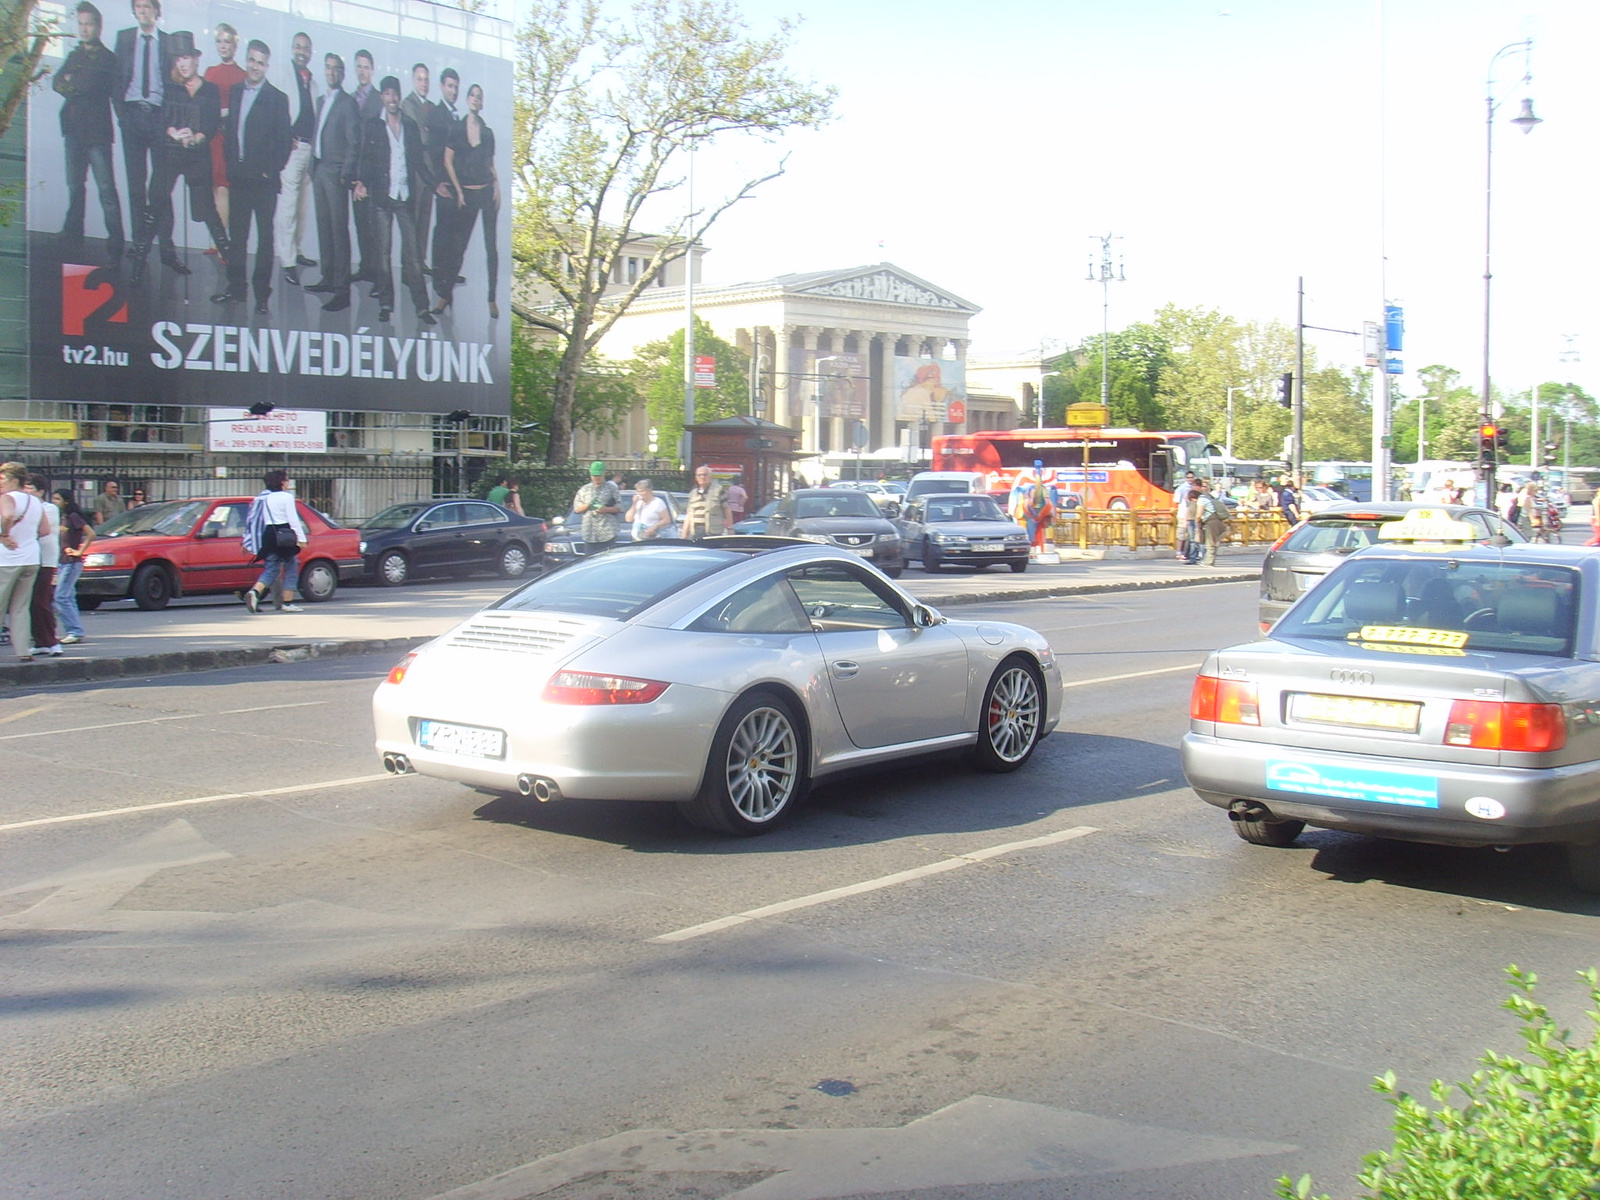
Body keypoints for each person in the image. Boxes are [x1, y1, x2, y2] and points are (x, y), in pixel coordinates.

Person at [130, 29, 228, 283]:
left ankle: (232, 267)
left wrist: (198, 137)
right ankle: (138, 264)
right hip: (170, 154)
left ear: (196, 59)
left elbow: (212, 122)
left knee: (207, 209)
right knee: (156, 205)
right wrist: (173, 133)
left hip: (198, 155)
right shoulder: (168, 88)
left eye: (187, 57)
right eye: (178, 59)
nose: (183, 63)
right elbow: (160, 120)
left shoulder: (210, 90)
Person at [212, 38, 290, 316]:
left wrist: (269, 170)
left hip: (264, 182)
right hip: (240, 178)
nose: (255, 66)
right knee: (238, 238)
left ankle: (262, 296)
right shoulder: (235, 92)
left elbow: (284, 143)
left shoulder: (278, 98)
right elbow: (231, 132)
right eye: (252, 60)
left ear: (266, 66)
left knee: (265, 240)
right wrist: (232, 165)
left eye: (261, 62)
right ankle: (236, 289)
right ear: (246, 60)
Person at [350, 75, 433, 325]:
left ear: (399, 95)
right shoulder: (374, 126)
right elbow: (367, 159)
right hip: (382, 197)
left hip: (404, 197)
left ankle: (421, 308)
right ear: (383, 97)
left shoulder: (409, 126)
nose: (392, 99)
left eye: (395, 94)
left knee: (414, 256)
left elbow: (418, 161)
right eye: (387, 94)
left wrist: (435, 184)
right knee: (383, 254)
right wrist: (362, 182)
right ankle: (386, 304)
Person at [55, 1, 126, 262]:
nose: (84, 29)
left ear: (98, 26)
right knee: (75, 186)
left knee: (106, 189)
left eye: (89, 24)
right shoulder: (75, 54)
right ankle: (73, 232)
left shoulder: (108, 58)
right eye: (81, 24)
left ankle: (116, 241)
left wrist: (71, 83)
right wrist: (71, 84)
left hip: (96, 132)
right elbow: (56, 81)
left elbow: (93, 87)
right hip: (73, 129)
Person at [432, 82, 499, 318]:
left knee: (492, 246)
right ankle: (444, 297)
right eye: (472, 95)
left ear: (482, 102)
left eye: (479, 96)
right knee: (458, 247)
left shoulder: (488, 132)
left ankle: (492, 299)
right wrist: (459, 191)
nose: (475, 99)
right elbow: (447, 161)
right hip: (467, 192)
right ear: (467, 99)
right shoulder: (457, 129)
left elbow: (490, 164)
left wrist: (497, 186)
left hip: (487, 192)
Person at [113, 0, 169, 261]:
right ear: (134, 10)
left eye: (147, 5)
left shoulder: (167, 42)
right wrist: (122, 114)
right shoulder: (124, 38)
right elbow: (116, 78)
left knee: (159, 186)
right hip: (132, 115)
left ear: (157, 10)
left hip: (159, 117)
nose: (143, 10)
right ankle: (139, 242)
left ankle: (160, 241)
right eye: (138, 6)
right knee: (135, 183)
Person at [307, 52, 358, 311]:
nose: (331, 72)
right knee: (324, 228)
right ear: (324, 71)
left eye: (336, 69)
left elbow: (353, 143)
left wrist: (345, 173)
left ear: (343, 73)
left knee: (339, 232)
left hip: (336, 173)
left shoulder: (348, 103)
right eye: (328, 68)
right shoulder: (321, 100)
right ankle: (328, 278)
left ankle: (342, 290)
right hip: (318, 169)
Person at [275, 30, 318, 287]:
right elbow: (276, 108)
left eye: (306, 48)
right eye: (298, 47)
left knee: (302, 205)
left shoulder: (311, 82)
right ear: (293, 49)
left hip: (308, 149)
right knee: (288, 206)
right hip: (291, 148)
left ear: (310, 53)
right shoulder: (282, 73)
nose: (302, 52)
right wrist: (282, 136)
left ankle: (297, 250)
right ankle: (287, 260)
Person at [0, 462, 53, 663]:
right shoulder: (35, 502)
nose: (0, 482)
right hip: (31, 558)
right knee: (20, 607)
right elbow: (44, 531)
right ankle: (23, 650)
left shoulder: (7, 498)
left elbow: (7, 515)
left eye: (3, 478)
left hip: (6, 559)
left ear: (14, 480)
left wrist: (4, 533)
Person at [203, 23, 245, 250]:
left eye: (227, 41)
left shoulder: (242, 75)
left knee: (222, 188)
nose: (223, 46)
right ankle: (215, 240)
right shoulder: (209, 72)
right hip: (211, 137)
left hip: (228, 138)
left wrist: (225, 114)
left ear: (235, 45)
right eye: (219, 41)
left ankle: (223, 245)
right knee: (211, 187)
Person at [241, 468, 306, 611]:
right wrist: (301, 538)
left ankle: (255, 592)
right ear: (282, 482)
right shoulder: (287, 497)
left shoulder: (264, 498)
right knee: (291, 566)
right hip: (284, 534)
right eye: (287, 479)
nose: (288, 482)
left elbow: (254, 520)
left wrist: (248, 540)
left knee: (271, 568)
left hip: (269, 534)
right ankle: (287, 603)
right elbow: (293, 519)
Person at [348, 49, 383, 288]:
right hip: (354, 169)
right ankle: (365, 267)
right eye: (359, 66)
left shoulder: (380, 99)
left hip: (373, 170)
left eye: (366, 67)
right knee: (360, 221)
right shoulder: (350, 98)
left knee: (374, 224)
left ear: (372, 70)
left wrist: (367, 179)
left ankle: (378, 273)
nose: (362, 71)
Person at [399, 64, 436, 270]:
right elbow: (419, 134)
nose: (423, 83)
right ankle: (409, 264)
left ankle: (420, 261)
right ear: (413, 80)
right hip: (415, 170)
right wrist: (428, 131)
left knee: (425, 216)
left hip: (430, 170)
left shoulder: (430, 105)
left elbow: (431, 132)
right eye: (420, 79)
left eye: (426, 79)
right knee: (412, 219)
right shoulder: (408, 104)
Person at [23, 476, 63, 657]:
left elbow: (40, 530)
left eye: (29, 488)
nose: (26, 491)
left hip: (46, 561)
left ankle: (52, 641)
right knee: (31, 603)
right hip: (29, 559)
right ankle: (40, 641)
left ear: (40, 491)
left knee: (43, 601)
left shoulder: (49, 508)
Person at [52, 488, 94, 645]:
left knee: (61, 597)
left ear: (66, 501)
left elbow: (91, 533)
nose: (54, 502)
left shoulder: (73, 516)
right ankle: (74, 630)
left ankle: (74, 631)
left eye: (57, 499)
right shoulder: (62, 517)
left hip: (71, 562)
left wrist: (79, 551)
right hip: (62, 561)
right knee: (67, 597)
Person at [572, 461, 621, 552]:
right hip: (589, 533)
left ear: (604, 474)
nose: (596, 478)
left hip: (607, 533)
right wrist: (588, 505)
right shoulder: (584, 489)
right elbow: (577, 509)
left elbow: (620, 507)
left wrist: (606, 509)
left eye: (599, 475)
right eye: (594, 475)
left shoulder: (611, 488)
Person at [681, 465, 730, 539]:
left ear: (710, 476)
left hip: (713, 532)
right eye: (699, 475)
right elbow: (689, 514)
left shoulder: (719, 490)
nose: (702, 477)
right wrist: (684, 534)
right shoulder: (693, 493)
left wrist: (730, 528)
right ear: (696, 478)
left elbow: (727, 509)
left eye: (705, 475)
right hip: (695, 532)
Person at [1195, 479, 1230, 567]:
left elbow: (1199, 514)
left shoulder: (1202, 499)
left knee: (1210, 542)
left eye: (1204, 486)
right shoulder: (1210, 497)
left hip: (1211, 522)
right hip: (1215, 521)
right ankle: (1209, 561)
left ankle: (1209, 562)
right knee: (1212, 542)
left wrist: (1197, 522)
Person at [1174, 471, 1199, 563]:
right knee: (1181, 534)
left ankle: (1188, 554)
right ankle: (1179, 553)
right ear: (1185, 478)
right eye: (1188, 477)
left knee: (1191, 536)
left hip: (1192, 515)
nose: (1190, 479)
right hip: (1183, 514)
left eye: (1191, 477)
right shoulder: (1181, 488)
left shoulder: (1195, 489)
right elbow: (1177, 501)